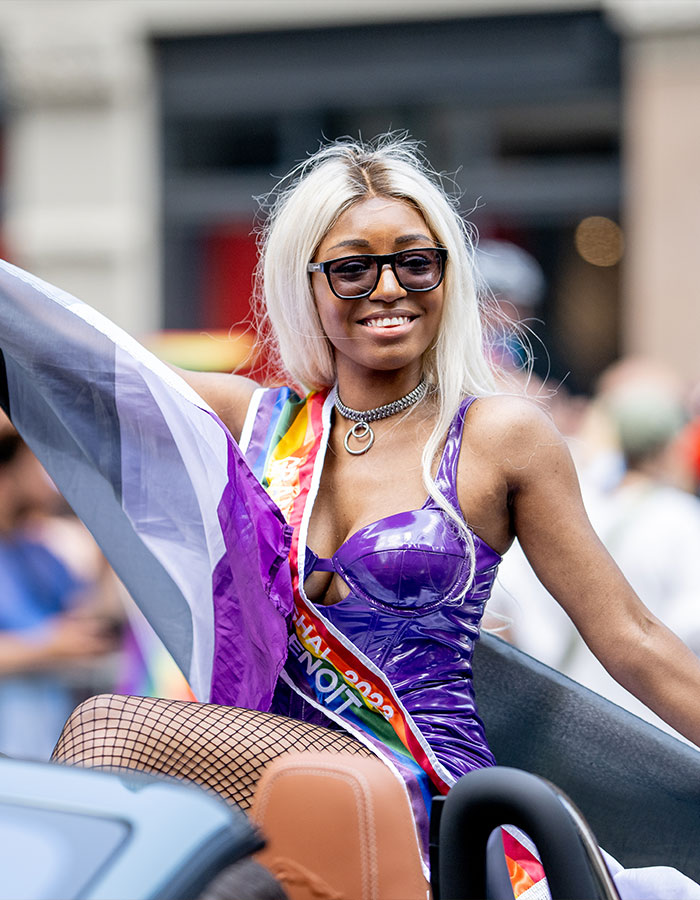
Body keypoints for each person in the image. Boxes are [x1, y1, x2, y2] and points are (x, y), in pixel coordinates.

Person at [2, 135, 700, 896]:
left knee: (116, 728)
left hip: (422, 789)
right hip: (272, 774)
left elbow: (632, 638)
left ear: (445, 273)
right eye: (353, 268)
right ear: (308, 285)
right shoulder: (252, 423)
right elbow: (70, 356)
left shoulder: (500, 437)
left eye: (415, 261)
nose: (390, 287)